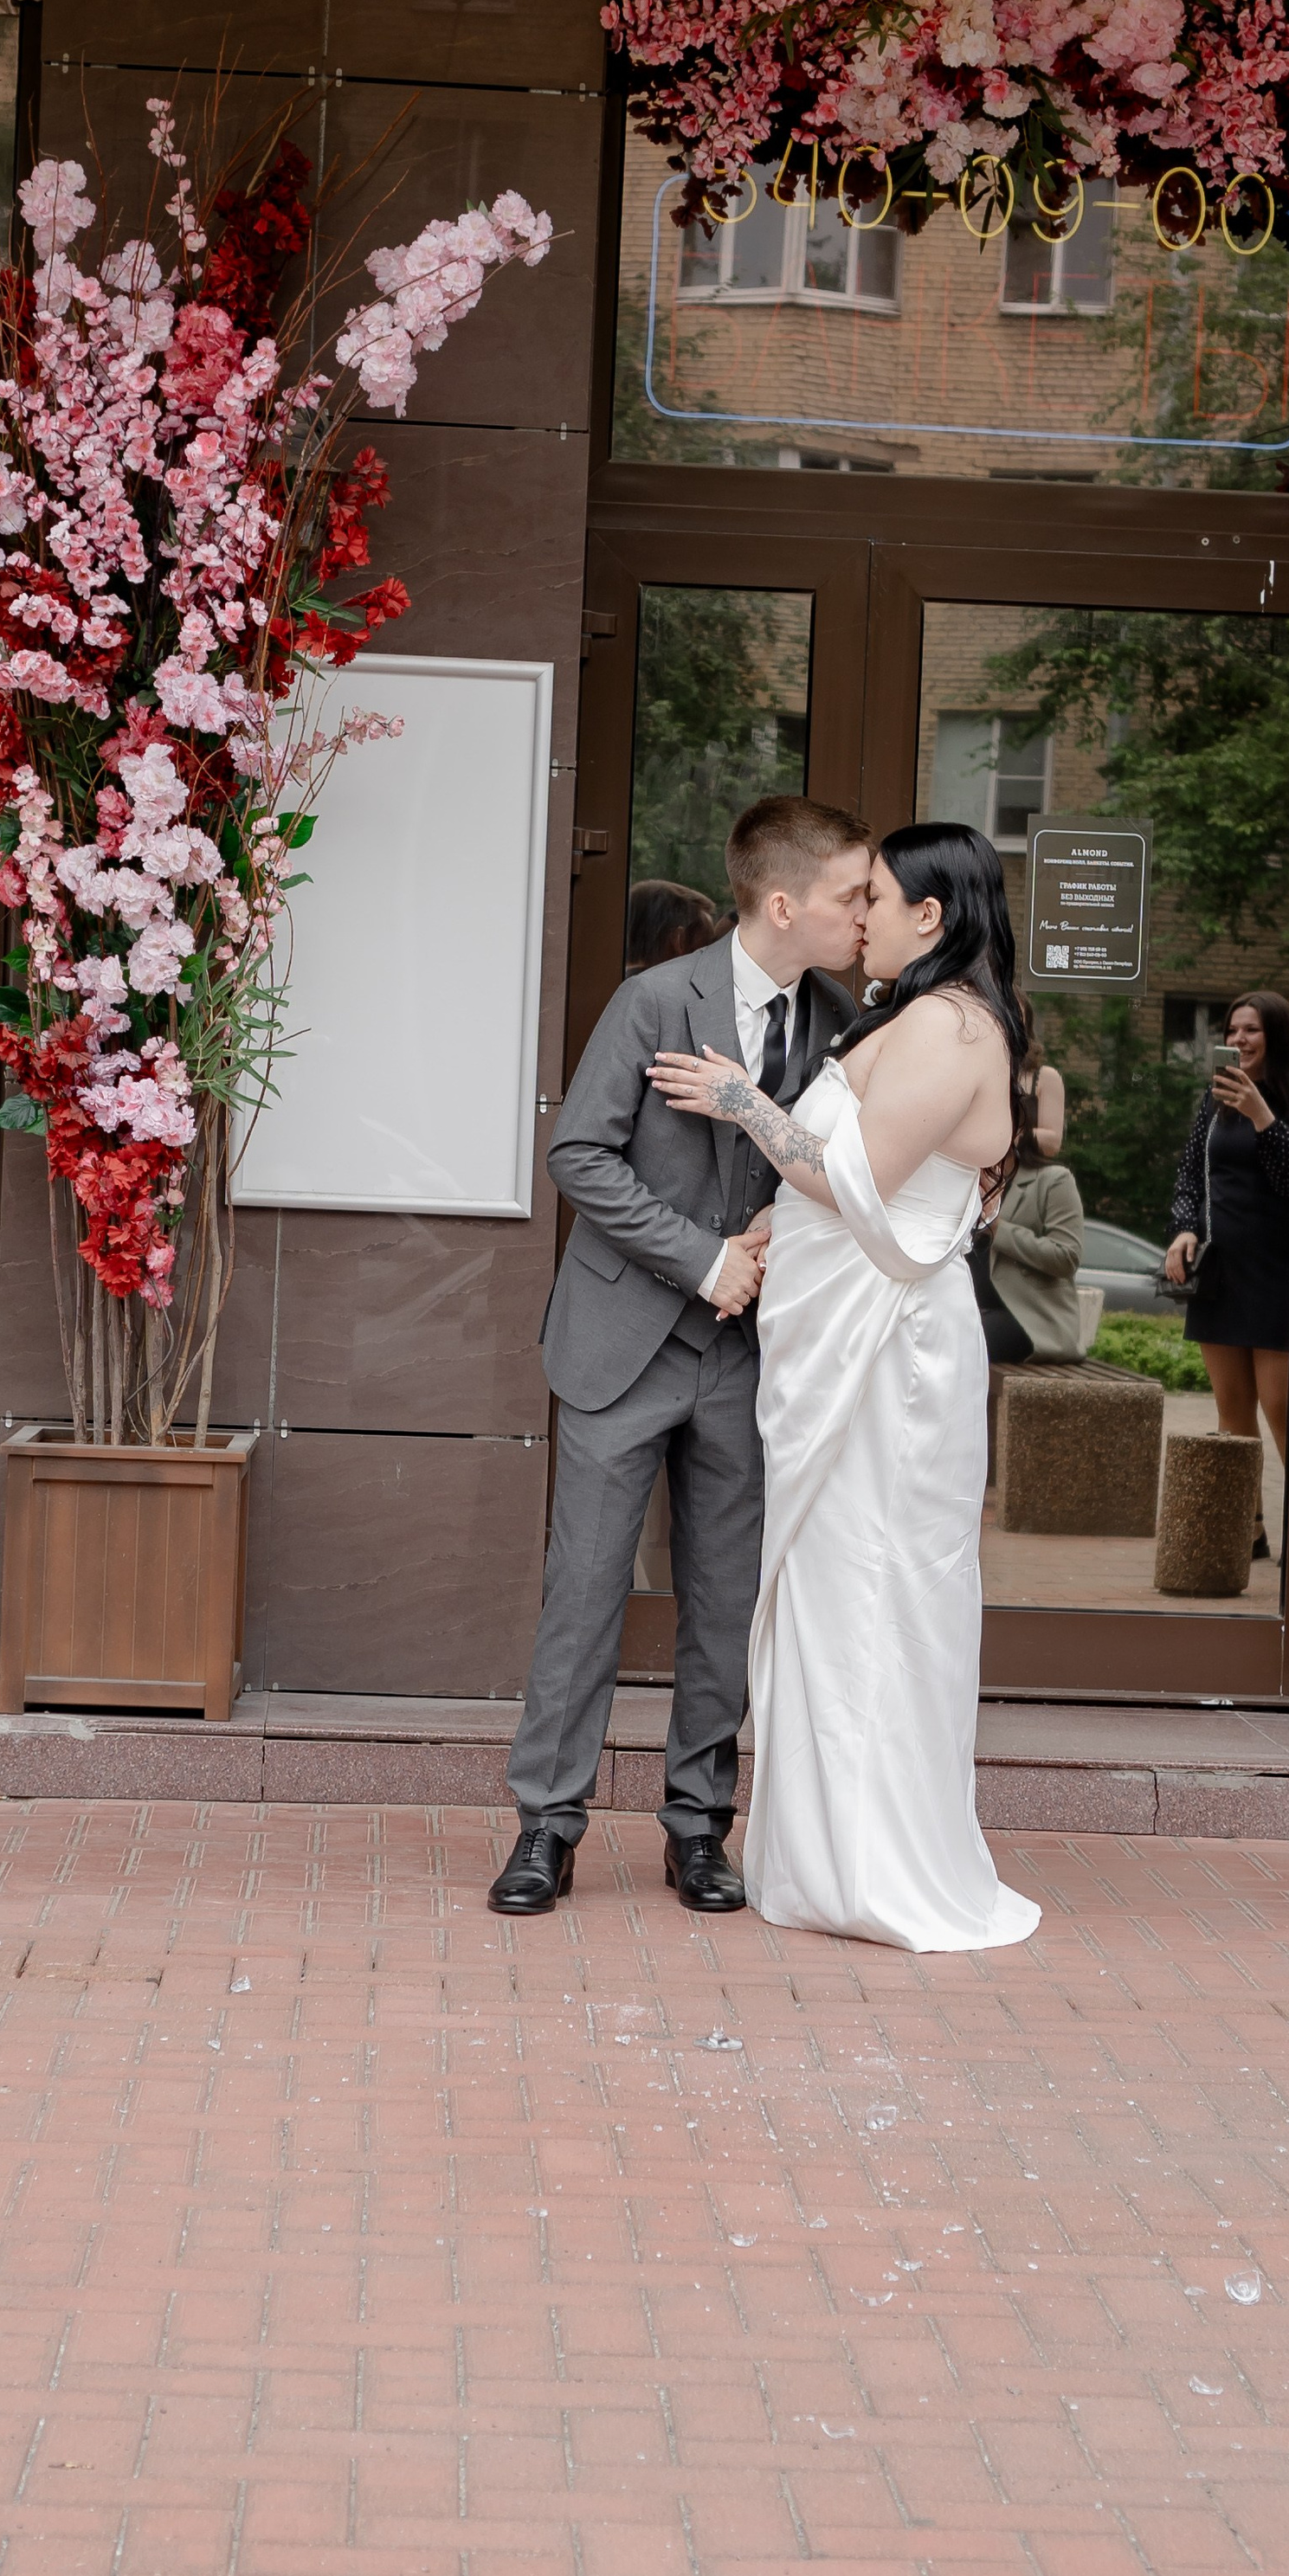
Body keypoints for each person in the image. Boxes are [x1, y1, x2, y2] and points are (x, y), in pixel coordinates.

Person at [649, 821, 1043, 1955]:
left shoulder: (951, 1026)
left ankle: (874, 1868)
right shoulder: (917, 1019)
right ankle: (820, 1857)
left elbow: (856, 1179)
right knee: (831, 1593)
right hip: (849, 1346)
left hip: (890, 1363)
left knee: (876, 1595)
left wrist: (739, 1100)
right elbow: (845, 1189)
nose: (854, 916)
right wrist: (773, 1220)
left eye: (875, 898)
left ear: (932, 915)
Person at [490, 796, 873, 1919]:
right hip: (623, 1347)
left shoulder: (838, 1023)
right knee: (586, 1599)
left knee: (723, 1608)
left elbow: (828, 1179)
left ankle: (699, 1831)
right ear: (785, 901)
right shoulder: (656, 1000)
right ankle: (545, 1830)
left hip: (752, 1360)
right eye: (851, 896)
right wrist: (705, 1259)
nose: (865, 914)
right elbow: (579, 1154)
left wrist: (769, 1245)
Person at [1162, 990, 1289, 1544]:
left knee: (1281, 1404)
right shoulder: (1212, 1103)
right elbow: (1190, 1178)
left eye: (1253, 1031)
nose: (1239, 1040)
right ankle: (1251, 1531)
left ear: (1277, 1038)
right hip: (1221, 1267)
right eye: (1233, 1030)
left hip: (1277, 1269)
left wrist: (1261, 1115)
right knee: (1233, 1409)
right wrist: (1184, 1227)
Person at [976, 1096, 1087, 1364]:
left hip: (1030, 1320)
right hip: (971, 1310)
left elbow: (1066, 1258)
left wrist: (996, 1227)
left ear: (1020, 1131)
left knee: (958, 1341)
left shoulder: (1053, 1180)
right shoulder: (970, 1180)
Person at [625, 878, 722, 975]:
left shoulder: (616, 982)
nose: (714, 957)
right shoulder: (666, 988)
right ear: (679, 941)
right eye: (707, 945)